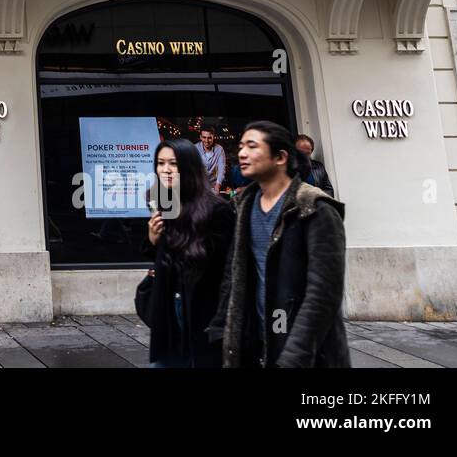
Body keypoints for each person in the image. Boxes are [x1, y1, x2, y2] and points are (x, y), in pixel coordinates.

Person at [211, 121, 350, 368]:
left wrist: (294, 357)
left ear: (280, 157)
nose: (242, 153)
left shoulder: (315, 208)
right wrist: (221, 330)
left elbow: (323, 294)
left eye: (252, 146)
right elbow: (233, 275)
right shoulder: (244, 205)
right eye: (241, 146)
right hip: (255, 345)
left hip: (304, 354)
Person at [140, 138, 234, 367]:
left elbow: (228, 269)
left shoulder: (216, 209)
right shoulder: (161, 202)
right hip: (169, 309)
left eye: (173, 163)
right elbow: (162, 257)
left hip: (203, 312)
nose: (166, 170)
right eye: (160, 163)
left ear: (189, 165)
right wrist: (152, 240)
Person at [197, 127, 226, 193]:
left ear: (213, 137)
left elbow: (221, 169)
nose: (206, 141)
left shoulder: (219, 149)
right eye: (204, 137)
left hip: (213, 185)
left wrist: (218, 185)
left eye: (209, 138)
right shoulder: (195, 148)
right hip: (199, 184)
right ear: (200, 137)